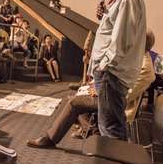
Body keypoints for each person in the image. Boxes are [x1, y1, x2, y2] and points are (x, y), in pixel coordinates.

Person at [27, 30, 155, 148]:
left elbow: (125, 93)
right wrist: (97, 86)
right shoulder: (136, 58)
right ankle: (92, 132)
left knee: (74, 103)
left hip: (115, 104)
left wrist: (100, 91)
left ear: (141, 42)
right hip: (108, 95)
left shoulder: (145, 67)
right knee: (80, 95)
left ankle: (50, 139)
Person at [88, 0, 147, 140]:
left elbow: (122, 38)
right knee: (111, 124)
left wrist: (104, 65)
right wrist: (105, 15)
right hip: (111, 71)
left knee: (110, 128)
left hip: (111, 72)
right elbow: (118, 30)